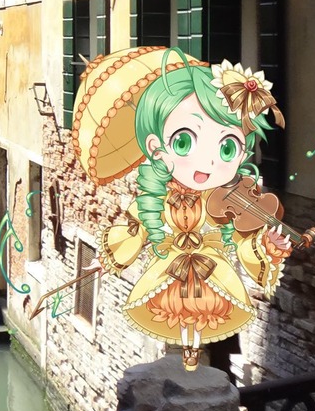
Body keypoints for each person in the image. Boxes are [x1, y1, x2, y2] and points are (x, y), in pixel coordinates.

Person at [72, 47, 292, 370]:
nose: (208, 162)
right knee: (177, 315)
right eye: (185, 142)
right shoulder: (158, 198)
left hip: (214, 275)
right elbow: (137, 230)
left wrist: (266, 247)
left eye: (227, 146)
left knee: (206, 319)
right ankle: (188, 355)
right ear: (155, 148)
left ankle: (197, 358)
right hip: (172, 270)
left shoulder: (223, 194)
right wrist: (105, 260)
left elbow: (245, 244)